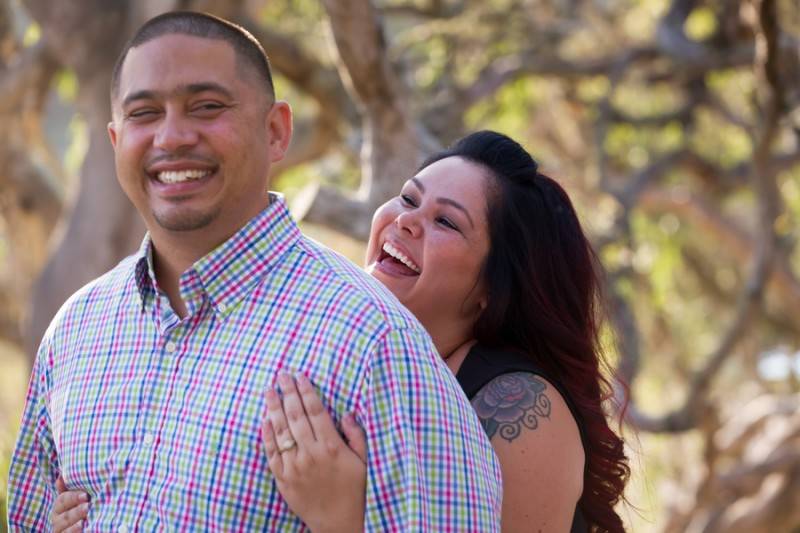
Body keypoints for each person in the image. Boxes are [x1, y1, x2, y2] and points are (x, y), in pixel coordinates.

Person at [8, 12, 502, 531]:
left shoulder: (373, 341)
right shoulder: (75, 331)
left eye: (207, 106)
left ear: (276, 131)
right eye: (144, 113)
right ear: (115, 141)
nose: (172, 137)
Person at [54, 130, 632, 532]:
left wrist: (343, 519)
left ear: (492, 288)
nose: (406, 220)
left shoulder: (519, 406)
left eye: (446, 222)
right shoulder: (328, 351)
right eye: (408, 198)